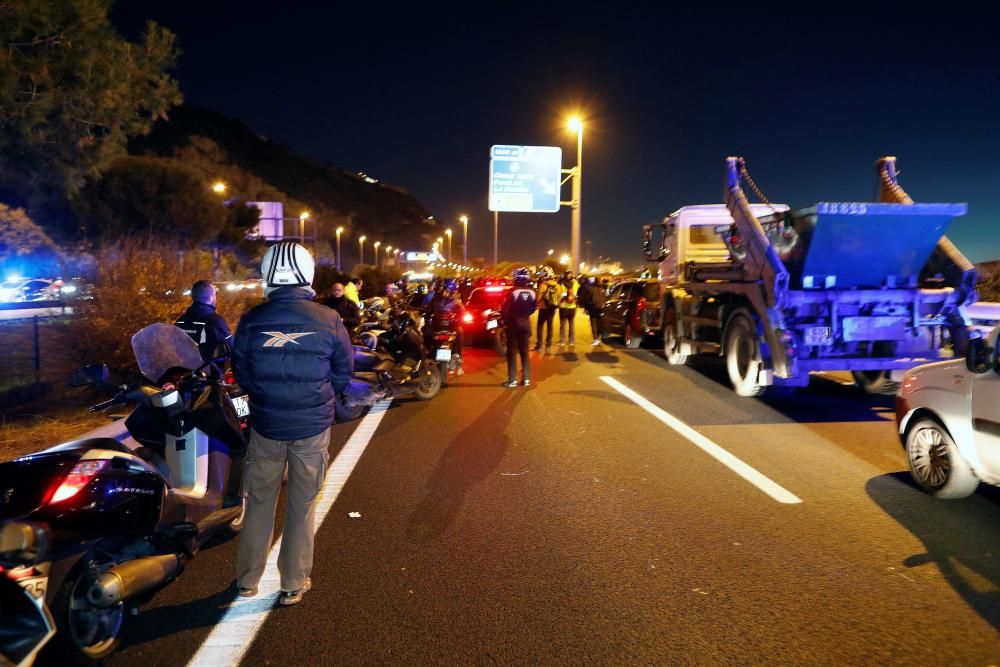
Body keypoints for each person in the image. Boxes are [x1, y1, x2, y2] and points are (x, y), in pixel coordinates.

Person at [231, 241, 353, 606]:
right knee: (302, 506)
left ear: (268, 275)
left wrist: (266, 397)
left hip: (266, 426)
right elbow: (343, 373)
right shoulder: (329, 319)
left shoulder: (252, 320)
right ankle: (292, 584)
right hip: (311, 429)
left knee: (259, 503)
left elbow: (241, 373)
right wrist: (317, 398)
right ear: (307, 274)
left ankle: (247, 581)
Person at [175, 279, 232, 361]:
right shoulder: (215, 322)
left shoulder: (181, 321)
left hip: (183, 370)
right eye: (215, 295)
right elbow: (232, 347)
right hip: (206, 371)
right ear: (211, 297)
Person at [502, 267, 537, 387]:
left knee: (511, 352)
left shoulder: (512, 292)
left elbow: (504, 310)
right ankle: (526, 379)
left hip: (513, 324)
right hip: (526, 324)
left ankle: (512, 380)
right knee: (524, 352)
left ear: (515, 278)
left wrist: (506, 322)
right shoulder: (532, 292)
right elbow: (533, 308)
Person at [422, 277, 465, 374]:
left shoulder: (456, 299)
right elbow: (429, 310)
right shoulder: (436, 298)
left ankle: (459, 361)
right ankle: (426, 356)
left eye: (448, 290)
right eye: (445, 289)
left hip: (451, 326)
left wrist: (459, 317)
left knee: (460, 332)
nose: (445, 292)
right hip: (437, 325)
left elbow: (462, 312)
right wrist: (426, 315)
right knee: (425, 332)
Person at [533, 266, 560, 354]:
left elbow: (537, 298)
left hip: (544, 309)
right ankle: (548, 346)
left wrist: (537, 304)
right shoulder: (557, 285)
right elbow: (560, 297)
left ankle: (539, 346)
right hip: (552, 309)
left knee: (540, 327)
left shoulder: (543, 285)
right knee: (550, 327)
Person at [557, 270, 579, 349]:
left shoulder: (561, 282)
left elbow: (559, 293)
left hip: (563, 306)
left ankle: (562, 341)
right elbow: (576, 293)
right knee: (571, 323)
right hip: (572, 306)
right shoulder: (575, 282)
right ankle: (571, 341)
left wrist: (563, 297)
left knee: (562, 324)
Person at [583, 277, 607, 346]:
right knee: (599, 324)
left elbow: (587, 299)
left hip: (593, 308)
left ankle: (596, 339)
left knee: (593, 324)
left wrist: (586, 308)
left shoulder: (591, 288)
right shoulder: (603, 289)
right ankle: (598, 338)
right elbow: (605, 298)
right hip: (601, 309)